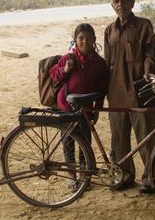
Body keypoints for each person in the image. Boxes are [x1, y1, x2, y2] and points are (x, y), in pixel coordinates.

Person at [104, 0, 155, 194]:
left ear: (133, 3)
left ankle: (151, 180)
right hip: (116, 94)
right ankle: (125, 176)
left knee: (147, 138)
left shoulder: (143, 26)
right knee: (119, 139)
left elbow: (153, 54)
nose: (120, 4)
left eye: (124, 0)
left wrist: (148, 71)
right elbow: (107, 64)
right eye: (116, 1)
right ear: (112, 5)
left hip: (141, 92)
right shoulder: (109, 30)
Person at [50, 23, 108, 190]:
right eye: (81, 38)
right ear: (75, 40)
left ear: (94, 40)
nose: (85, 41)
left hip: (86, 109)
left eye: (88, 38)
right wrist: (65, 70)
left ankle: (84, 174)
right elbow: (53, 74)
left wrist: (97, 108)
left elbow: (102, 88)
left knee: (85, 141)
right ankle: (71, 176)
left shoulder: (99, 63)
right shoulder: (69, 58)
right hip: (66, 106)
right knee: (68, 141)